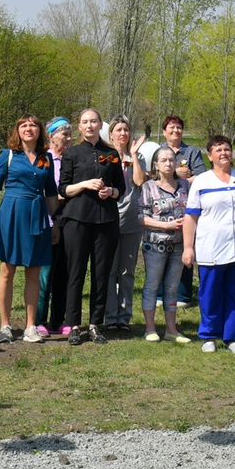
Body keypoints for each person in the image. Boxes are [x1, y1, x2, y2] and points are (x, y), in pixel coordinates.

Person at [0, 115, 60, 343]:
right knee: (8, 270)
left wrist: (56, 222)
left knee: (33, 272)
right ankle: (5, 326)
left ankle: (30, 327)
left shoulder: (47, 158)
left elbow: (51, 193)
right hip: (12, 215)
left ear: (40, 130)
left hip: (38, 217)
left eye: (33, 125)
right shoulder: (8, 156)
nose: (28, 128)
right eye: (24, 125)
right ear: (17, 131)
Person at [182, 135, 235, 353]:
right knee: (211, 292)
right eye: (218, 150)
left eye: (226, 149)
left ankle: (232, 336)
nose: (223, 153)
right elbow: (191, 216)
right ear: (210, 155)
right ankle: (209, 335)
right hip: (211, 246)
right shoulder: (202, 181)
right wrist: (189, 247)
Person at [60, 108, 124, 345]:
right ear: (79, 127)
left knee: (101, 274)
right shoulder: (72, 154)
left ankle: (96, 324)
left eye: (93, 121)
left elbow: (121, 189)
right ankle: (74, 324)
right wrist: (85, 184)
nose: (89, 125)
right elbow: (63, 189)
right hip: (77, 220)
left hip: (106, 221)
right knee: (75, 273)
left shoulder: (112, 154)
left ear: (100, 125)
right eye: (85, 122)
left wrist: (111, 191)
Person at [138, 146, 190, 343]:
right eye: (164, 160)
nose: (168, 163)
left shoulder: (185, 186)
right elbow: (141, 217)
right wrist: (165, 225)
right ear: (156, 165)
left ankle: (171, 329)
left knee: (172, 288)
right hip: (155, 245)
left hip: (179, 245)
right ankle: (150, 328)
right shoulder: (148, 187)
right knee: (152, 285)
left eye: (171, 160)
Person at [162, 113, 205, 309]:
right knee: (162, 248)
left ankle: (183, 293)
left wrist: (175, 179)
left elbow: (201, 176)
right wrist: (177, 174)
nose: (175, 130)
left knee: (185, 246)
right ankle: (161, 293)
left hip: (186, 205)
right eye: (171, 127)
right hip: (161, 206)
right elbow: (153, 176)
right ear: (164, 132)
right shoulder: (159, 151)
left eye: (178, 127)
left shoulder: (191, 152)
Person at [105, 116, 143, 330]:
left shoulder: (135, 157)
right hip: (109, 220)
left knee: (127, 272)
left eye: (126, 130)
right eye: (118, 130)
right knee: (110, 271)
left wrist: (135, 156)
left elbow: (139, 181)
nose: (123, 133)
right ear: (111, 134)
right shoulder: (105, 156)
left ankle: (124, 316)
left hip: (131, 220)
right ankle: (110, 317)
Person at [36, 117, 71, 336]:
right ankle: (39, 320)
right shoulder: (43, 159)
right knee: (45, 274)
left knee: (64, 274)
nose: (68, 138)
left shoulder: (73, 158)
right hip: (48, 221)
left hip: (69, 222)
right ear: (51, 135)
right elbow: (39, 186)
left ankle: (59, 320)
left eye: (69, 134)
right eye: (63, 134)